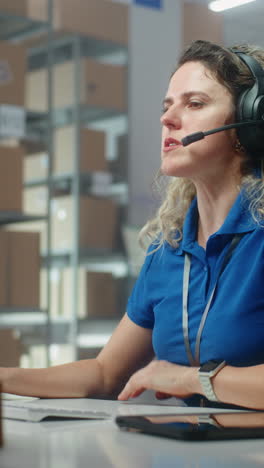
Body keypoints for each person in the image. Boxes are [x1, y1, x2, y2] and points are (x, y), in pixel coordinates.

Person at [2, 40, 264, 410]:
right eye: (167, 106)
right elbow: (106, 373)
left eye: (195, 104)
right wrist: (4, 377)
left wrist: (193, 379)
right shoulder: (169, 248)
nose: (167, 119)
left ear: (250, 123)